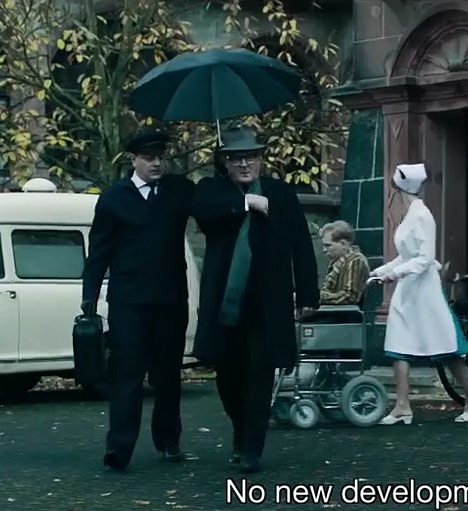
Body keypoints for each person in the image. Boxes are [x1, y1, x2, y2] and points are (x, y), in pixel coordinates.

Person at [191, 125, 319, 474]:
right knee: (228, 377)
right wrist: (245, 203)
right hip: (225, 306)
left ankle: (252, 448)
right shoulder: (213, 191)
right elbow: (203, 212)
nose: (244, 164)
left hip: (267, 304)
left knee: (259, 374)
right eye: (236, 158)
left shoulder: (280, 193)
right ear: (225, 162)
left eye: (250, 157)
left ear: (260, 159)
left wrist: (308, 293)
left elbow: (300, 244)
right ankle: (240, 430)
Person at [81, 129, 194, 472]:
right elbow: (98, 252)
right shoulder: (114, 199)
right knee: (127, 374)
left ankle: (169, 440)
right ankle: (119, 448)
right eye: (148, 158)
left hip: (170, 300)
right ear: (134, 160)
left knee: (169, 375)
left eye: (160, 157)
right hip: (129, 302)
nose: (156, 163)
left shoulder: (178, 191)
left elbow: (210, 204)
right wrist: (89, 298)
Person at [372, 163, 468, 425]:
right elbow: (406, 255)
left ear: (398, 188)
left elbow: (425, 258)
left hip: (424, 290)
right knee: (398, 343)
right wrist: (381, 271)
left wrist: (395, 274)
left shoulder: (422, 215)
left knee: (444, 345)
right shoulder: (410, 215)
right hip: (408, 289)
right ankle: (402, 405)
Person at [317, 220, 370, 314]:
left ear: (343, 244)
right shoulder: (336, 263)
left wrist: (319, 297)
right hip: (334, 312)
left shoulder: (355, 261)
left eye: (328, 245)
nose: (324, 250)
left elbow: (350, 296)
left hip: (345, 315)